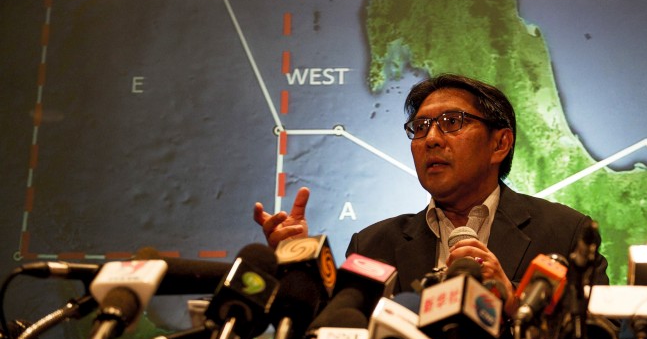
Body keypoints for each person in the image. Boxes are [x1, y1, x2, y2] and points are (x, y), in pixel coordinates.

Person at [253, 73, 613, 311]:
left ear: (500, 144)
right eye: (421, 127)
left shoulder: (565, 234)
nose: (431, 139)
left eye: (452, 122)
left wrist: (515, 303)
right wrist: (297, 264)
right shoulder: (374, 245)